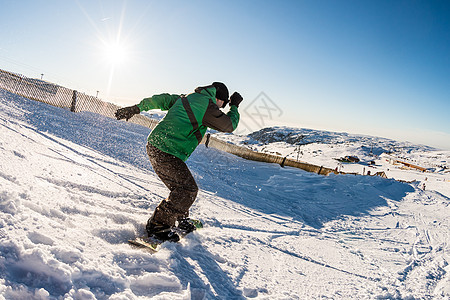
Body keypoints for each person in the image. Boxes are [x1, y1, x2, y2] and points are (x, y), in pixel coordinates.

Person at [115, 82, 243, 242]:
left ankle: (178, 219)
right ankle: (157, 226)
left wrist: (137, 108)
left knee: (180, 188)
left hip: (158, 146)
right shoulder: (206, 105)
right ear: (219, 98)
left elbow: (162, 100)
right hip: (166, 151)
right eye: (222, 104)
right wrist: (235, 107)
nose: (220, 109)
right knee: (187, 189)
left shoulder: (188, 98)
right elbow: (228, 125)